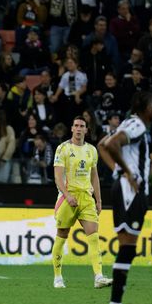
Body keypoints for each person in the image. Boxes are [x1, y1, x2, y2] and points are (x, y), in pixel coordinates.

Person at [99, 91, 152, 304]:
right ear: (146, 108)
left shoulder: (128, 123)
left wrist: (117, 171)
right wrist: (127, 172)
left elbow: (102, 145)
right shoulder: (137, 125)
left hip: (124, 188)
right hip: (131, 192)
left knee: (127, 246)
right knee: (128, 246)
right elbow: (112, 144)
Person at [52, 116, 111, 289]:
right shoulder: (63, 148)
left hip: (86, 198)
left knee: (93, 235)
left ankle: (98, 277)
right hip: (67, 198)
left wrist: (98, 200)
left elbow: (94, 176)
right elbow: (57, 176)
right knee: (61, 235)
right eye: (76, 125)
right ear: (72, 129)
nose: (78, 128)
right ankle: (57, 277)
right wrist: (67, 195)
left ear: (86, 130)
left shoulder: (92, 150)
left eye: (82, 126)